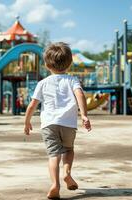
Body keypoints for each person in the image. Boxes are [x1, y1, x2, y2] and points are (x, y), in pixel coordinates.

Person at [24, 42, 92, 199]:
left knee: (53, 155)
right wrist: (84, 115)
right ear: (69, 63)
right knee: (68, 150)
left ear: (47, 65)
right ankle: (67, 174)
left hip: (49, 124)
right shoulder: (72, 80)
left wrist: (27, 121)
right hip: (68, 123)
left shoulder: (42, 83)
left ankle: (55, 184)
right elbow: (80, 95)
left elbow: (33, 104)